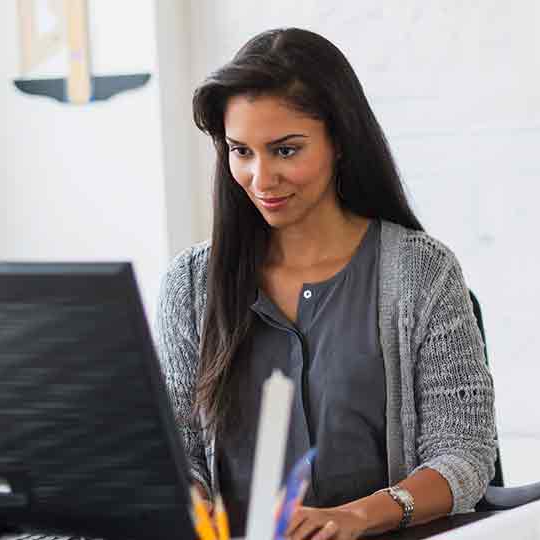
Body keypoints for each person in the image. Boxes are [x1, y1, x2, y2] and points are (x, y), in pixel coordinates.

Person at [155, 28, 497, 540]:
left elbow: (464, 456)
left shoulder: (422, 274)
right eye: (240, 151)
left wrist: (358, 515)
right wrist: (189, 501)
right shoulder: (190, 287)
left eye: (286, 151)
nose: (260, 178)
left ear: (340, 142)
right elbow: (176, 453)